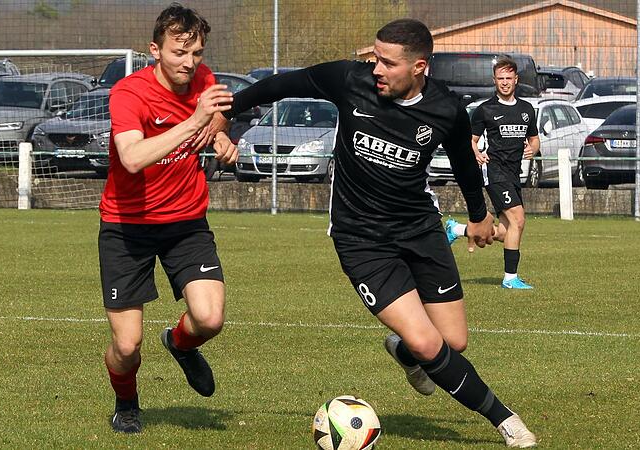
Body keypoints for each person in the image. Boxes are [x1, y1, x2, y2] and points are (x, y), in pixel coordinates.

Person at [220, 19, 536, 448]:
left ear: (419, 66)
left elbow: (463, 161)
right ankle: (505, 420)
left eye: (387, 62)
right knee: (428, 344)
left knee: (452, 341)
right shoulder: (350, 81)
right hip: (361, 238)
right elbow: (282, 85)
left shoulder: (445, 109)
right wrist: (225, 112)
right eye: (374, 57)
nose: (376, 69)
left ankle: (402, 349)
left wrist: (480, 217)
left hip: (420, 229)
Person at [98, 2, 237, 434]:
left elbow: (216, 117)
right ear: (154, 51)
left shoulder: (204, 79)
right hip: (127, 227)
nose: (189, 63)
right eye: (179, 53)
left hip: (185, 222)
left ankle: (179, 344)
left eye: (196, 53)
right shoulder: (128, 93)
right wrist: (194, 119)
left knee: (210, 319)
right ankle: (126, 401)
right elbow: (133, 157)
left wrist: (220, 136)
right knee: (126, 344)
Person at [445, 56, 540, 290]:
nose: (505, 83)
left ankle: (457, 230)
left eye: (509, 78)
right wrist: (476, 153)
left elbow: (534, 138)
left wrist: (532, 148)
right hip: (494, 172)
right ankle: (510, 278)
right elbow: (470, 140)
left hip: (513, 173)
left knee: (508, 230)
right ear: (494, 80)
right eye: (500, 78)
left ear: (516, 80)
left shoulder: (526, 110)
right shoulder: (485, 110)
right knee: (518, 219)